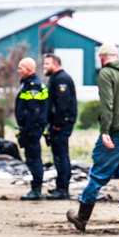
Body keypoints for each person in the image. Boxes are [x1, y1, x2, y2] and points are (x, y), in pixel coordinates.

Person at [66, 43, 119, 231]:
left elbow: (107, 105)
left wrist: (105, 132)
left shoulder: (106, 74)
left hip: (116, 133)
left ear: (102, 58)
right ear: (116, 56)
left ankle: (82, 217)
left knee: (98, 174)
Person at [43, 53, 78, 199]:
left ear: (55, 64)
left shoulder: (62, 79)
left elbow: (62, 105)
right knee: (58, 155)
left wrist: (57, 124)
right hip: (58, 124)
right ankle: (60, 186)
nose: (44, 67)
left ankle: (63, 189)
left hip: (62, 125)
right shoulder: (55, 78)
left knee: (61, 156)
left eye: (47, 64)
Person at [14, 57, 49, 202]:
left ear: (29, 69)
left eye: (21, 68)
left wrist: (27, 131)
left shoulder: (33, 86)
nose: (18, 71)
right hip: (30, 129)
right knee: (32, 159)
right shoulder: (27, 84)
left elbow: (34, 112)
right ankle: (35, 188)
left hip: (32, 130)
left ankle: (36, 190)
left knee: (34, 159)